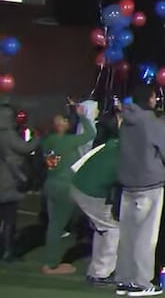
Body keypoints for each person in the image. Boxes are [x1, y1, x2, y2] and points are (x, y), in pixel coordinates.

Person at [115, 84, 165, 297]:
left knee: (128, 234)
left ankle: (124, 279)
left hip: (127, 183)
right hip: (149, 184)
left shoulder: (125, 122)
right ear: (151, 99)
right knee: (145, 236)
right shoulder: (153, 123)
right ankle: (141, 281)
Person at [40, 104, 96, 274]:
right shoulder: (67, 141)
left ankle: (50, 261)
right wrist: (82, 116)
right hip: (64, 187)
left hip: (50, 184)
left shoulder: (47, 141)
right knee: (60, 224)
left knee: (54, 225)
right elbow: (90, 134)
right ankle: (51, 263)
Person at [70, 114, 122, 286]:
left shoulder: (112, 143)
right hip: (90, 192)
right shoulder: (125, 151)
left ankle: (96, 271)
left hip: (78, 183)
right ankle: (100, 274)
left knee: (103, 229)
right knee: (113, 229)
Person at [0, 100, 39, 262]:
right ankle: (8, 251)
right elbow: (25, 148)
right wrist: (37, 139)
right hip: (8, 180)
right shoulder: (7, 134)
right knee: (9, 219)